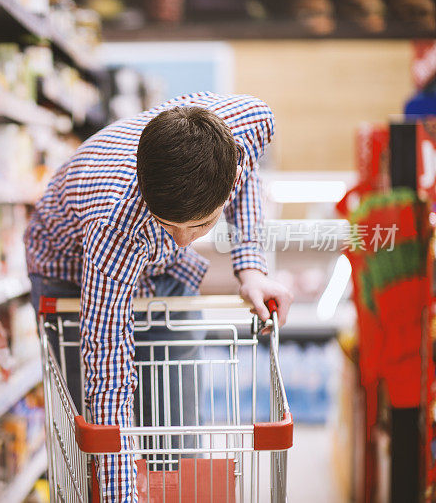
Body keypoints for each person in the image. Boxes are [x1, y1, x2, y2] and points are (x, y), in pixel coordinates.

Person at [25, 92, 293, 501]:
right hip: (70, 277)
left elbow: (248, 176)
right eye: (168, 225)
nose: (184, 240)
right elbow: (109, 374)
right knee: (88, 444)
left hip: (160, 272)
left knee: (175, 437)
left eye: (201, 224)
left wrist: (250, 267)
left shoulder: (250, 126)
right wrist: (124, 496)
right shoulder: (114, 228)